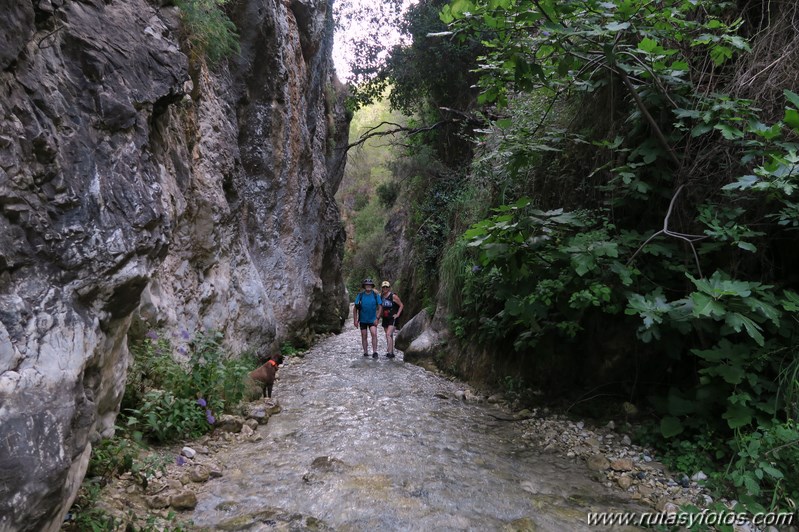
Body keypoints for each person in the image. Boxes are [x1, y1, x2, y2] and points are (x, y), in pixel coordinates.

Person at [353, 278, 381, 358]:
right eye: (367, 285)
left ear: (372, 286)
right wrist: (355, 320)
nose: (368, 286)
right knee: (364, 335)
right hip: (363, 319)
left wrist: (378, 317)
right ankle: (365, 352)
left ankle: (375, 352)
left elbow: (380, 306)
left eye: (369, 285)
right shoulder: (360, 295)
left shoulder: (376, 295)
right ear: (364, 286)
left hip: (373, 319)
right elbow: (355, 308)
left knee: (374, 333)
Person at [379, 280, 404, 358]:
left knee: (388, 334)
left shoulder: (393, 296)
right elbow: (381, 307)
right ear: (382, 288)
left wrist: (398, 314)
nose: (385, 288)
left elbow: (401, 305)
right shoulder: (381, 296)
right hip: (385, 318)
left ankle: (389, 352)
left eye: (387, 287)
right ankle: (391, 352)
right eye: (384, 287)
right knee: (389, 336)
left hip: (393, 318)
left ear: (389, 288)